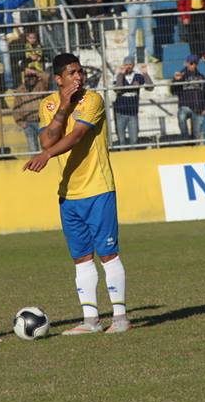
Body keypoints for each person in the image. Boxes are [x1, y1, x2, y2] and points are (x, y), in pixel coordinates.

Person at [23, 53, 129, 335]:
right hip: (69, 194)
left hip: (98, 189)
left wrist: (46, 155)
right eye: (71, 73)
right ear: (58, 79)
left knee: (108, 254)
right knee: (81, 258)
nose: (78, 77)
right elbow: (48, 137)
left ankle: (120, 318)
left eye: (80, 71)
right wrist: (63, 109)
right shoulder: (49, 105)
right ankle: (91, 320)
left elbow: (76, 136)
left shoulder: (92, 100)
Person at [112, 56, 153, 146]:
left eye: (130, 64)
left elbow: (150, 87)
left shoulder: (137, 76)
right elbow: (117, 89)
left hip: (133, 113)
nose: (128, 66)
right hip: (120, 113)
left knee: (134, 140)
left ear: (133, 65)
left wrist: (145, 73)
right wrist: (121, 74)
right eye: (126, 64)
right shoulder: (118, 75)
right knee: (121, 141)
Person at [171, 54, 205, 143]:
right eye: (191, 63)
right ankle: (185, 139)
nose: (193, 65)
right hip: (185, 106)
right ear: (187, 63)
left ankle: (194, 150)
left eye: (195, 63)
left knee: (196, 136)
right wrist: (176, 80)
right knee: (181, 116)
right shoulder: (181, 75)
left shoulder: (201, 77)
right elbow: (173, 91)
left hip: (198, 108)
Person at [12, 66, 50, 153]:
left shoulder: (41, 86)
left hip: (42, 122)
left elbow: (47, 77)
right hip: (28, 123)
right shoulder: (20, 90)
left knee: (46, 147)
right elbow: (16, 108)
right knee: (33, 149)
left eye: (32, 76)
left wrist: (35, 71)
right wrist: (21, 123)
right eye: (27, 76)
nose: (30, 79)